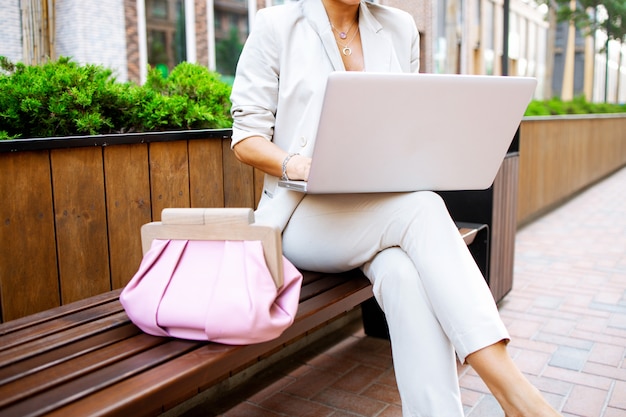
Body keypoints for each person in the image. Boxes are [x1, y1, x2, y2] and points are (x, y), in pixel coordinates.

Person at [229, 0, 562, 415]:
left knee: (404, 275)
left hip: (381, 209)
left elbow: (407, 124)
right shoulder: (276, 25)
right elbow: (245, 138)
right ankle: (514, 393)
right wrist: (292, 164)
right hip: (301, 214)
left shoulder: (400, 27)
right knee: (423, 208)